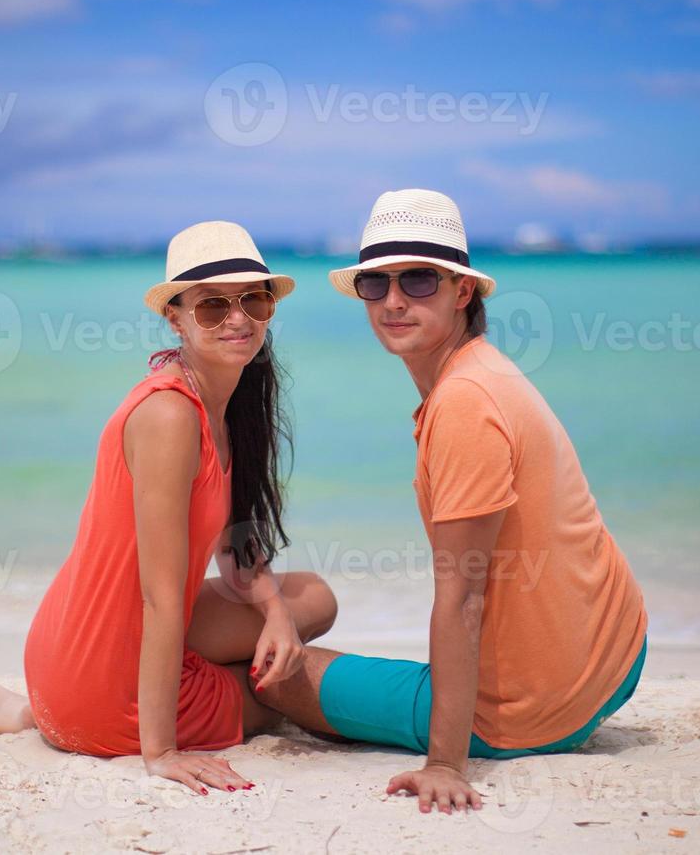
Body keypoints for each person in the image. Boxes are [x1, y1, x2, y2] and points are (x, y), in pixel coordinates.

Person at [253, 189, 648, 814]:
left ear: (463, 291)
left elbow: (463, 597)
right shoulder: (485, 370)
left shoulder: (464, 404)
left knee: (274, 681)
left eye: (417, 279)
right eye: (376, 284)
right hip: (616, 653)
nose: (394, 300)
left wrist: (444, 763)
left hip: (538, 708)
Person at [0, 221, 337, 796]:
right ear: (177, 318)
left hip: (65, 648)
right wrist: (161, 751)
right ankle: (51, 714)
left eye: (253, 300)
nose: (237, 318)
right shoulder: (170, 416)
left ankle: (28, 712)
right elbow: (158, 596)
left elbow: (230, 536)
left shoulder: (224, 405)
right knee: (274, 696)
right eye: (213, 306)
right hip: (105, 676)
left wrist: (275, 613)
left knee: (311, 601)